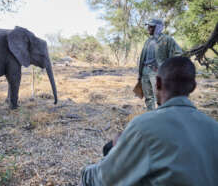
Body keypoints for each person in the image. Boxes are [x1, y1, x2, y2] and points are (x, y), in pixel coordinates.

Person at [81, 57, 218, 186]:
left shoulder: (143, 127)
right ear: (193, 87)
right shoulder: (214, 127)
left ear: (157, 83)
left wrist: (116, 151)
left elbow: (102, 179)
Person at [138, 19, 183, 110]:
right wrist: (140, 74)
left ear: (158, 28)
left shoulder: (167, 39)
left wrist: (166, 67)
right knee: (148, 97)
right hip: (145, 72)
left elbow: (178, 53)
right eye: (148, 26)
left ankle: (161, 117)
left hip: (157, 72)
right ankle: (151, 116)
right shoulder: (148, 41)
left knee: (160, 97)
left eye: (151, 27)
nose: (148, 28)